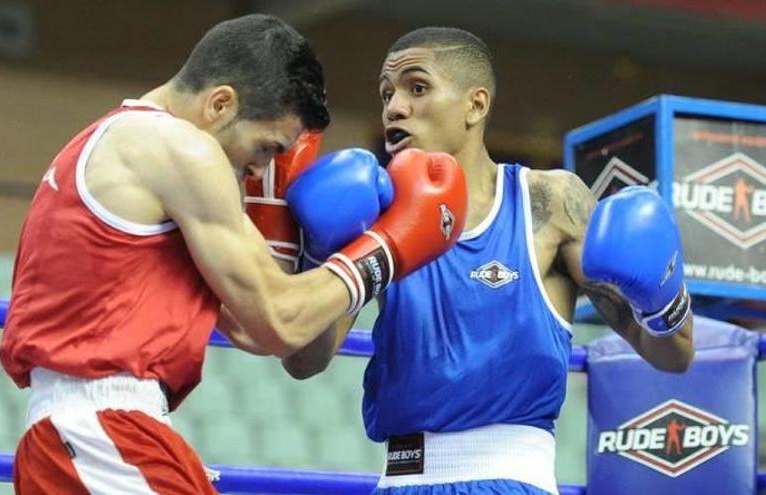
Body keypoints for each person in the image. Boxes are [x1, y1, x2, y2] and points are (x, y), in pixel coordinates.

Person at [0, 15, 468, 494]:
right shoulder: (180, 149)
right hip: (101, 436)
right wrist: (389, 247)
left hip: (93, 436)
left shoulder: (116, 142)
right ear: (220, 103)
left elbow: (254, 329)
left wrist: (314, 254)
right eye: (265, 147)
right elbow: (280, 319)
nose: (259, 169)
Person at [282, 27, 695, 495]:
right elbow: (305, 360)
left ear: (475, 105)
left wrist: (661, 299)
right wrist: (319, 252)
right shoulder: (375, 219)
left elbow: (674, 352)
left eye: (417, 88)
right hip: (400, 480)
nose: (395, 107)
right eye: (386, 94)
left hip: (512, 481)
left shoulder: (549, 203)